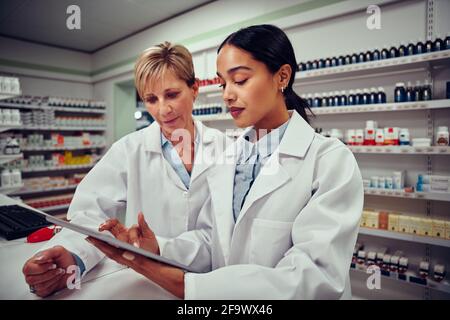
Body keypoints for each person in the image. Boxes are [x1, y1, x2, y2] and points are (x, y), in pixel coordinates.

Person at [87, 24, 364, 299]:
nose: (227, 94)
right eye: (223, 83)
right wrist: (158, 247)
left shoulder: (330, 161)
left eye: (240, 80)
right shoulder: (229, 156)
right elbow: (212, 242)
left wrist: (189, 286)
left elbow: (315, 278)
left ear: (282, 77)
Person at [22, 42, 227, 298]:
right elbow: (89, 213)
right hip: (146, 283)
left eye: (172, 94)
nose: (163, 110)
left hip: (213, 284)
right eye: (152, 99)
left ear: (194, 88)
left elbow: (227, 229)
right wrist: (73, 256)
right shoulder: (129, 149)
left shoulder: (226, 148)